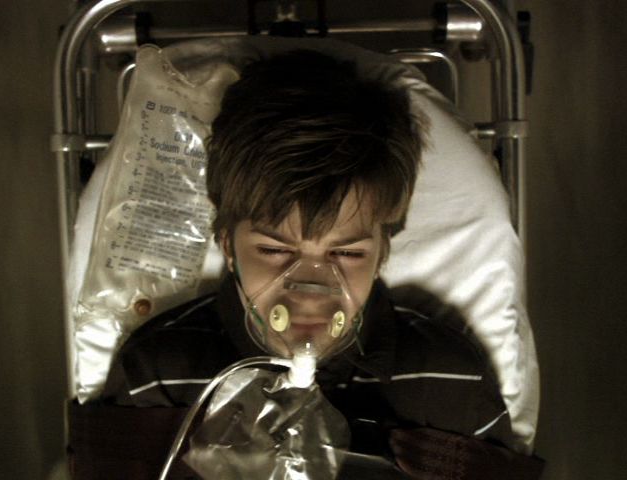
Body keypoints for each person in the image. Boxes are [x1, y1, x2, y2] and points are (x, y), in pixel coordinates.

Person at [69, 50, 543, 479]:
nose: (311, 290)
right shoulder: (159, 371)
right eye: (275, 251)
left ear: (383, 250)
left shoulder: (449, 379)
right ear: (227, 245)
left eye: (346, 253)